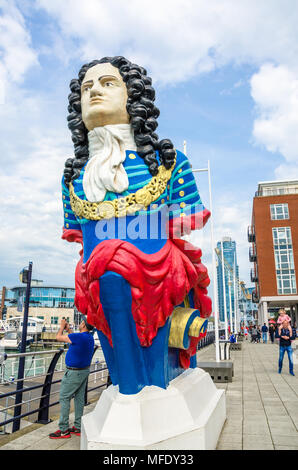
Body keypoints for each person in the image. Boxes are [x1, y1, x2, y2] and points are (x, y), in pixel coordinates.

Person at [61, 56, 212, 395]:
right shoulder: (72, 177)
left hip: (157, 271)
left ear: (134, 97)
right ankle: (127, 386)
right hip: (99, 277)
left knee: (115, 276)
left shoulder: (169, 163)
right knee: (102, 280)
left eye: (107, 83)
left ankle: (140, 386)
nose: (94, 91)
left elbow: (180, 225)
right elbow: (83, 239)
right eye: (87, 88)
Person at [49, 316, 95, 439]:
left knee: (64, 398)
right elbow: (74, 339)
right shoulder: (89, 338)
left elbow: (58, 337)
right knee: (79, 399)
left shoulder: (78, 337)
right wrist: (69, 330)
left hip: (73, 373)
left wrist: (62, 327)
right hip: (84, 371)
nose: (79, 323)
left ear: (84, 325)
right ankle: (77, 427)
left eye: (81, 322)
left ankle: (63, 430)